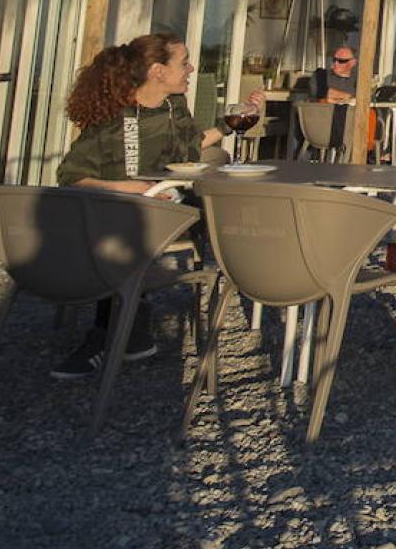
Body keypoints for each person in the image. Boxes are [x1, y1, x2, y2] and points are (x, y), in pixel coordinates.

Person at [51, 34, 264, 379]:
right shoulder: (113, 117)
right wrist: (128, 187)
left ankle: (123, 329)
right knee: (122, 223)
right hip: (116, 209)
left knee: (219, 208)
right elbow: (72, 176)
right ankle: (113, 333)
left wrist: (236, 119)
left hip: (167, 202)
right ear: (157, 71)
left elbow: (191, 146)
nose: (192, 68)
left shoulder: (173, 106)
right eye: (183, 62)